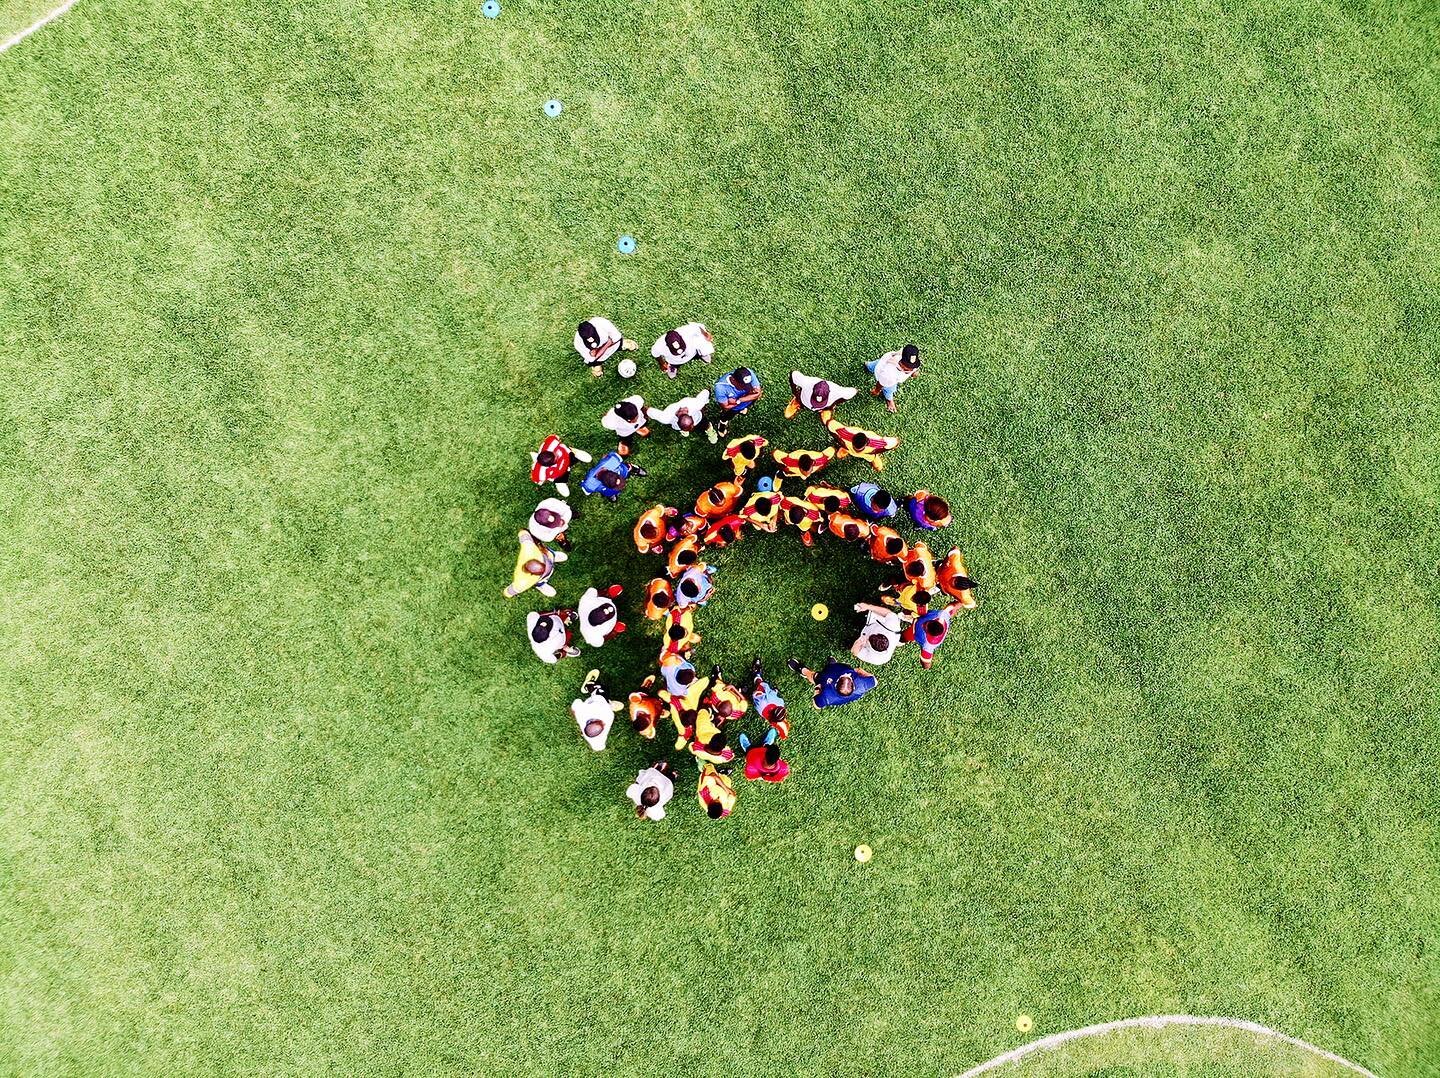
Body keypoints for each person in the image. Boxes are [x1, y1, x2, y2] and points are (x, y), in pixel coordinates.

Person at [787, 656, 878, 709]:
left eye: (846, 676)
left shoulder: (827, 697)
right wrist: (858, 670)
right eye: (848, 676)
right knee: (833, 666)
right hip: (838, 668)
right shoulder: (863, 684)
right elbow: (874, 681)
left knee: (814, 676)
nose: (847, 674)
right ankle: (831, 665)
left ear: (836, 682)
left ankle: (803, 670)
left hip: (826, 678)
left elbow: (816, 705)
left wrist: (818, 688)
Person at [504, 528, 565, 598]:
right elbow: (510, 591)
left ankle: (553, 557)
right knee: (552, 593)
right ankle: (540, 585)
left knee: (560, 557)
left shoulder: (529, 549)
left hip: (546, 556)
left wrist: (523, 532)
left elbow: (523, 533)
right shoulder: (522, 581)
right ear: (531, 574)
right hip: (542, 578)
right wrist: (508, 593)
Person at [571, 670, 623, 750]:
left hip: (591, 703)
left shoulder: (581, 713)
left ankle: (588, 687)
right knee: (603, 691)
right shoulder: (607, 714)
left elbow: (576, 703)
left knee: (602, 699)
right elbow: (598, 748)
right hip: (599, 701)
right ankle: (589, 686)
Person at [825, 417, 900, 472]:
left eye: (860, 448)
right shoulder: (845, 433)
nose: (858, 450)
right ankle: (845, 450)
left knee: (877, 465)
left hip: (867, 454)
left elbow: (894, 442)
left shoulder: (876, 443)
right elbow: (830, 424)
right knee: (841, 453)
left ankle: (874, 460)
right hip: (848, 448)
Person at [867, 343, 922, 412]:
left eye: (913, 367)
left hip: (884, 362)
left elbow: (913, 366)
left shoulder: (907, 356)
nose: (911, 370)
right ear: (900, 363)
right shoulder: (889, 374)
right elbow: (881, 383)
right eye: (907, 369)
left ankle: (868, 365)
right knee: (889, 390)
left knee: (876, 364)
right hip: (884, 373)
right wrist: (876, 390)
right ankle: (889, 400)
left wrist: (914, 371)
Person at [647, 389, 716, 443]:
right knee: (685, 427)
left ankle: (709, 429)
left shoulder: (696, 404)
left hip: (698, 418)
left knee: (705, 424)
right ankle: (684, 430)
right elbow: (651, 412)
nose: (693, 427)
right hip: (681, 424)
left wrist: (707, 396)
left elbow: (705, 393)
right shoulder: (666, 417)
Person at [785, 371, 857, 419]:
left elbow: (853, 392)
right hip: (802, 399)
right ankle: (797, 402)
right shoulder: (807, 382)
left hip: (826, 407)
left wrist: (832, 405)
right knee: (787, 415)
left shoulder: (837, 390)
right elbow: (793, 374)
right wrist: (795, 393)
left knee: (827, 422)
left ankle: (825, 410)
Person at [580, 450, 647, 501]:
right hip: (606, 489)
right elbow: (586, 490)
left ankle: (635, 469)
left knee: (627, 468)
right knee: (608, 492)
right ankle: (611, 494)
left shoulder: (613, 460)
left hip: (621, 471)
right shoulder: (589, 484)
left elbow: (587, 492)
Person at [750, 658, 790, 739]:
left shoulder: (778, 703)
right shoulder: (773, 721)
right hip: (760, 707)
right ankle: (748, 691)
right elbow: (784, 734)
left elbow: (757, 694)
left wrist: (758, 692)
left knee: (759, 683)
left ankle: (757, 674)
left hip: (762, 697)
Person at [905, 604, 954, 669]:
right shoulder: (942, 614)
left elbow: (926, 664)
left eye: (925, 626)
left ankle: (901, 641)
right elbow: (954, 606)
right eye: (927, 622)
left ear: (929, 633)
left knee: (905, 636)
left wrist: (926, 667)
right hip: (917, 619)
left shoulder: (928, 646)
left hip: (914, 633)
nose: (923, 625)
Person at [577, 584, 626, 648]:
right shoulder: (589, 633)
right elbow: (599, 643)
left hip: (603, 600)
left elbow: (593, 590)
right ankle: (615, 629)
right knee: (616, 629)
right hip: (610, 624)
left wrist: (605, 594)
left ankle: (609, 594)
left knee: (601, 594)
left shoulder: (585, 604)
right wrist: (613, 632)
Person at [771, 446, 836, 480]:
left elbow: (831, 449)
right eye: (804, 471)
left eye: (808, 470)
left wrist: (823, 465)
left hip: (795, 469)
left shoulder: (820, 459)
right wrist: (782, 467)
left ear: (813, 463)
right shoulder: (789, 461)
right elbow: (774, 452)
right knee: (785, 474)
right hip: (792, 470)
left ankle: (801, 475)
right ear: (799, 466)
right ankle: (780, 475)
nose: (807, 473)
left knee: (803, 476)